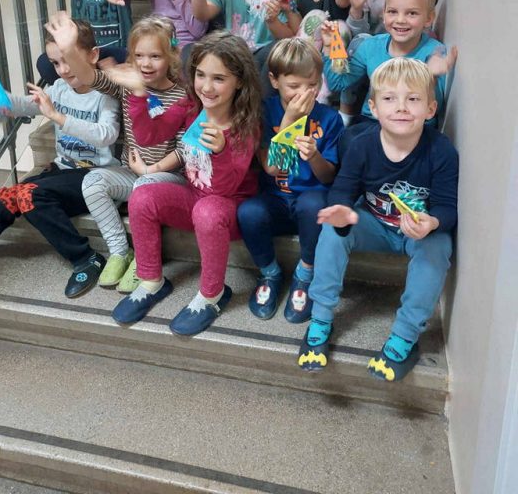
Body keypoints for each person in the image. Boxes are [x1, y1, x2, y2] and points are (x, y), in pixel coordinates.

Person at [298, 57, 458, 383]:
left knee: (439, 246)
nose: (401, 107)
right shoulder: (361, 145)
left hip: (418, 232)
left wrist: (432, 223)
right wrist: (342, 210)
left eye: (413, 99)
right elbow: (343, 189)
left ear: (430, 109)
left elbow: (448, 207)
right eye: (389, 98)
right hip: (374, 225)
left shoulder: (441, 150)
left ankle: (405, 334)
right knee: (334, 228)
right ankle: (321, 317)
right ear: (373, 107)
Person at [112, 31, 262, 336]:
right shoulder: (191, 107)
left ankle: (212, 295)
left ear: (239, 82)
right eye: (201, 75)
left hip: (228, 209)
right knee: (143, 195)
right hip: (194, 197)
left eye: (219, 79)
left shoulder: (247, 123)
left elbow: (226, 187)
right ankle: (151, 281)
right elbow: (150, 136)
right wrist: (139, 95)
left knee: (207, 211)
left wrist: (221, 150)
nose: (206, 86)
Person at [0, 20, 120, 298]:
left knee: (29, 195)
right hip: (64, 171)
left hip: (97, 177)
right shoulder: (59, 88)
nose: (63, 69)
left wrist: (58, 117)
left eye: (68, 59)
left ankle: (85, 257)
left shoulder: (105, 94)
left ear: (92, 55)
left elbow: (106, 135)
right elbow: (25, 105)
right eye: (55, 63)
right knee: (7, 197)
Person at [46, 12, 188, 294]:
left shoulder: (182, 95)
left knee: (145, 187)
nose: (145, 63)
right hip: (130, 172)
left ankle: (145, 260)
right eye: (139, 56)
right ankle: (120, 252)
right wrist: (69, 49)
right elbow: (88, 75)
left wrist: (150, 170)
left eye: (155, 56)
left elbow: (185, 150)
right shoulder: (125, 87)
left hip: (168, 177)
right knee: (92, 182)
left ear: (171, 56)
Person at [238, 38, 343, 322]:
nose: (304, 93)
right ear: (274, 81)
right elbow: (271, 168)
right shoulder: (264, 112)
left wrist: (315, 156)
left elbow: (328, 175)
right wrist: (290, 121)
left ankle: (305, 274)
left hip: (310, 204)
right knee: (248, 212)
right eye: (294, 86)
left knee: (314, 205)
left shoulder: (330, 119)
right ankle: (270, 272)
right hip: (275, 198)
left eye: (312, 85)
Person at [320, 0, 457, 129]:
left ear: (429, 19)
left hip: (415, 127)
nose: (400, 20)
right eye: (392, 12)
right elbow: (339, 83)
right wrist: (329, 48)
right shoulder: (370, 47)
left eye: (412, 13)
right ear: (383, 14)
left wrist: (430, 76)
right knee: (350, 139)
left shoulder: (434, 53)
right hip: (373, 123)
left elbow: (434, 109)